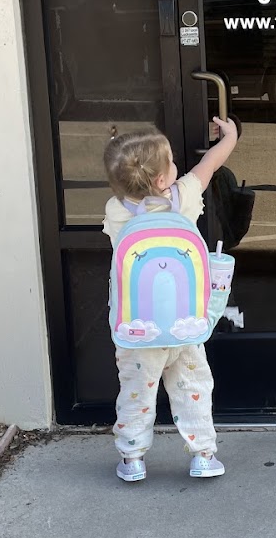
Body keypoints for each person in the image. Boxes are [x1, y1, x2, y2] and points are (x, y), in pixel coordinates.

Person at [102, 118, 238, 484]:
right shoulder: (185, 197)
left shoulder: (116, 210)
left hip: (137, 331)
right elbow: (210, 164)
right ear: (163, 180)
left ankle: (132, 459)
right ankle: (204, 455)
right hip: (185, 327)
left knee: (135, 393)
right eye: (172, 162)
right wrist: (230, 136)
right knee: (194, 389)